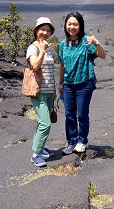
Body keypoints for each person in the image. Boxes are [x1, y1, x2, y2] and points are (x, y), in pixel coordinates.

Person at [58, 12, 106, 155]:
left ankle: (82, 141)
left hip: (84, 83)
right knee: (69, 114)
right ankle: (72, 141)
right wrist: (60, 83)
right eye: (69, 24)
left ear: (80, 25)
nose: (72, 27)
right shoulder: (63, 44)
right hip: (68, 84)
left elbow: (103, 56)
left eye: (75, 24)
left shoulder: (87, 41)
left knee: (82, 115)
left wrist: (96, 43)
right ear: (66, 25)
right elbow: (62, 64)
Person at [26, 17, 57, 167]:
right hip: (38, 92)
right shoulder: (33, 48)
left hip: (49, 90)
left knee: (42, 123)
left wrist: (55, 90)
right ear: (36, 31)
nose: (45, 32)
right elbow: (35, 66)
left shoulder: (49, 47)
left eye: (48, 30)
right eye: (42, 29)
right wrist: (43, 50)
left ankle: (40, 147)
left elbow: (51, 70)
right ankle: (36, 155)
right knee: (45, 124)